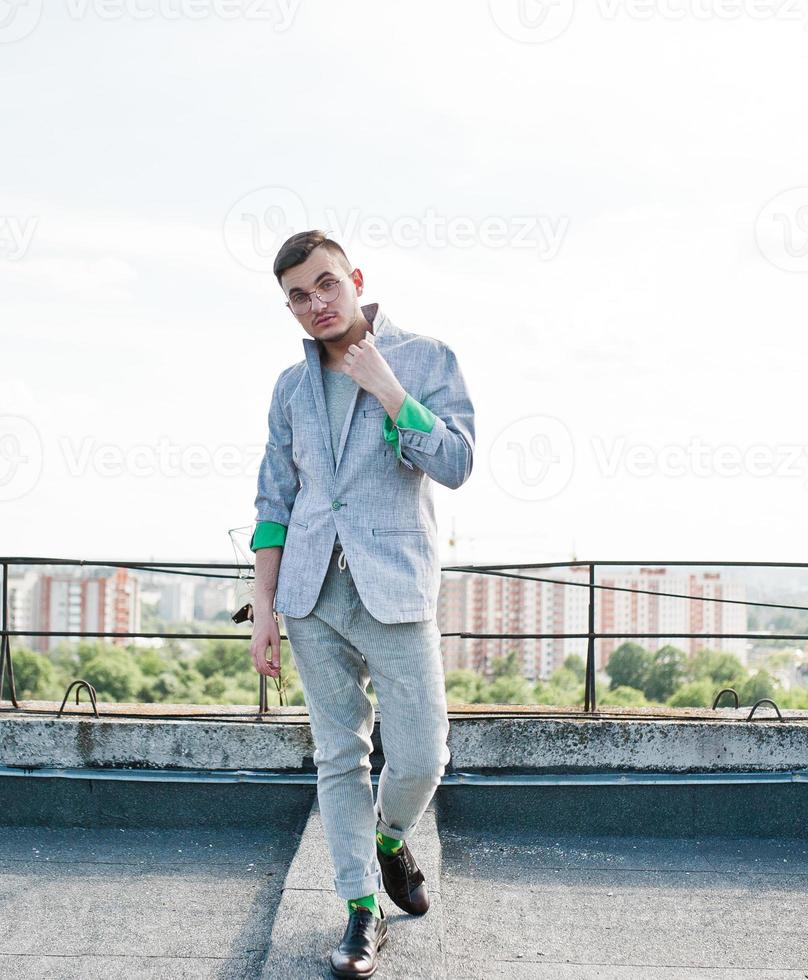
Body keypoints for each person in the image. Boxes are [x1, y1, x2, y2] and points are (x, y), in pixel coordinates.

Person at [248, 230, 476, 978]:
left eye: (325, 286)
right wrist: (266, 607)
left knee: (420, 754)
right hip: (311, 594)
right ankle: (358, 909)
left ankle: (389, 838)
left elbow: (456, 463)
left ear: (355, 279)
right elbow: (275, 498)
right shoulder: (289, 386)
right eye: (297, 298)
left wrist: (390, 391)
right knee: (336, 757)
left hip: (395, 587)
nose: (314, 304)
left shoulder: (425, 358)